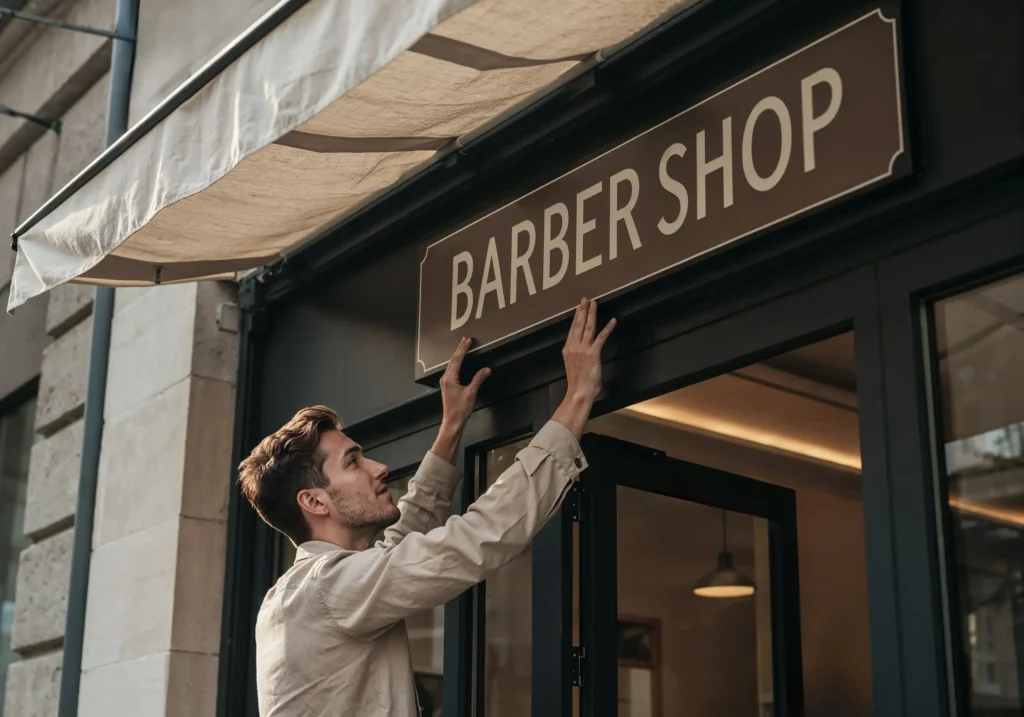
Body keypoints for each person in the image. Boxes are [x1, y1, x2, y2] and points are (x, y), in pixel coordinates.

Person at [239, 298, 616, 716]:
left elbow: (400, 543)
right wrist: (578, 397)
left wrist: (452, 427)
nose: (379, 468)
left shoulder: (304, 593)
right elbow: (474, 539)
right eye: (353, 462)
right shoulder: (328, 589)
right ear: (314, 501)